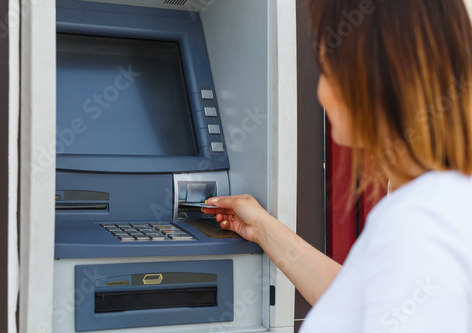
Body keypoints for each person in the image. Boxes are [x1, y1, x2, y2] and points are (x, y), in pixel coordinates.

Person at [202, 0, 472, 332]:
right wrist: (262, 229)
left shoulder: (417, 224)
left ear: (368, 77)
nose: (321, 92)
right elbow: (362, 302)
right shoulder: (447, 201)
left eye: (326, 70)